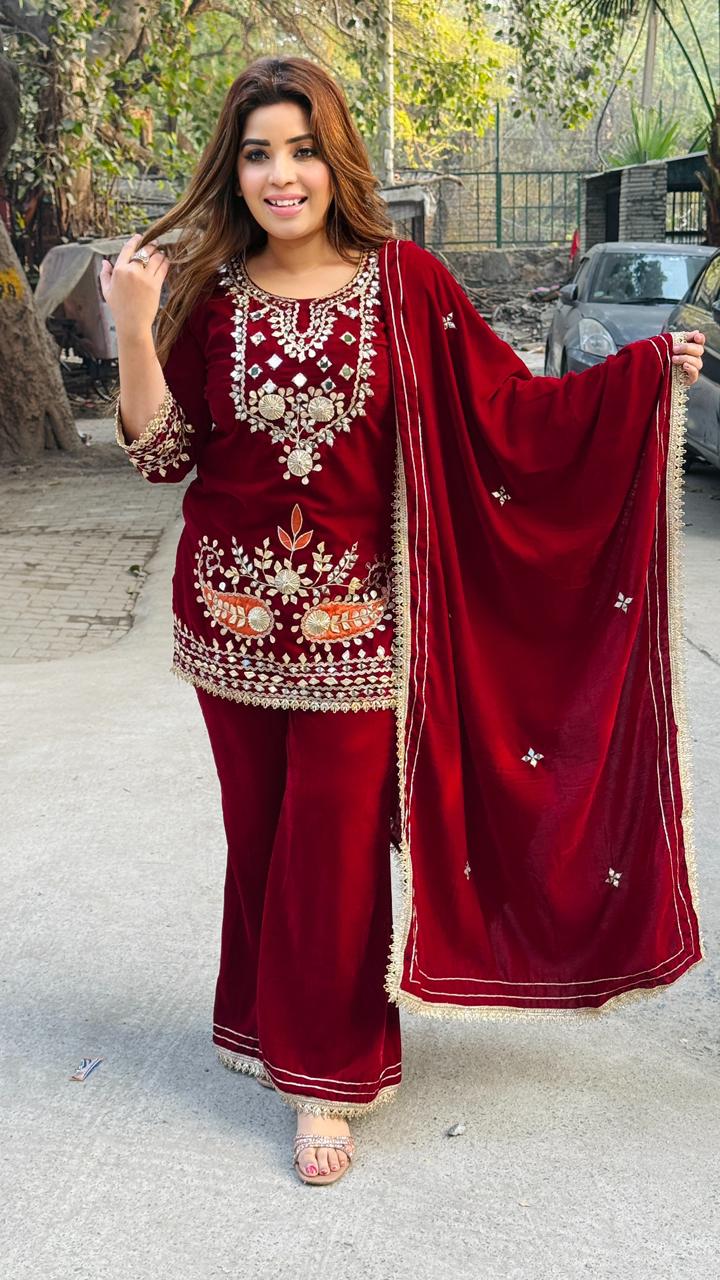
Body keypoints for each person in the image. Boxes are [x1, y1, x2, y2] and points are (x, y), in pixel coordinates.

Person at [102, 55, 706, 1187]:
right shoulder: (211, 293)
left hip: (360, 629)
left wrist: (635, 381)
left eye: (303, 149)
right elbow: (164, 454)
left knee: (331, 847)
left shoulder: (406, 284)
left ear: (338, 159)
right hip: (229, 621)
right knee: (259, 836)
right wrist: (133, 327)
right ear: (234, 171)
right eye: (258, 154)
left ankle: (326, 1072)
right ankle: (261, 1022)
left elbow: (510, 412)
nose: (283, 175)